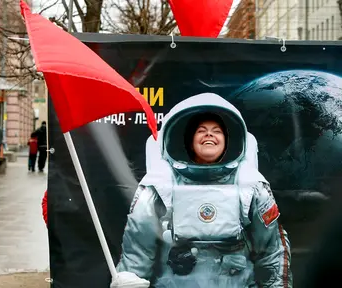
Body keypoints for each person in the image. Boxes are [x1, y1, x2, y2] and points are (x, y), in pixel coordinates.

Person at [111, 93, 292, 288]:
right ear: (189, 140)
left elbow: (271, 252)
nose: (209, 134)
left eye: (217, 131)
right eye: (201, 130)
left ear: (228, 140)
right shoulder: (159, 186)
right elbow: (137, 253)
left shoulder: (251, 186)